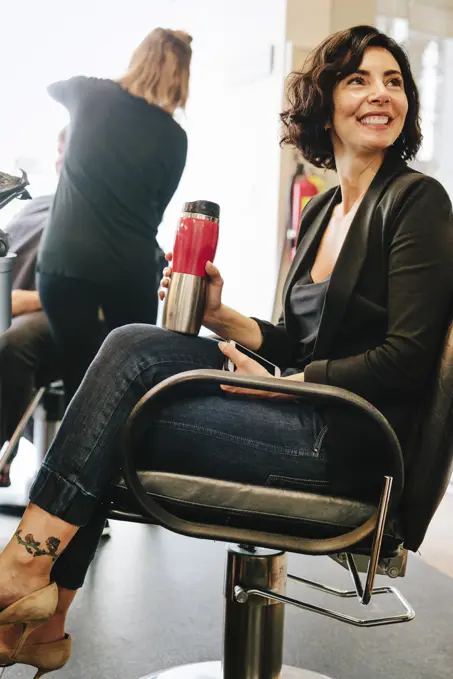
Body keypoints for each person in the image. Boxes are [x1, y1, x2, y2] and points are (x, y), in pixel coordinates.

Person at [0, 24, 452, 675]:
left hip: (351, 445)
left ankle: (25, 572)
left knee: (124, 385)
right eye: (358, 79)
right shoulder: (325, 212)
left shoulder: (413, 203)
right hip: (307, 415)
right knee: (133, 349)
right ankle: (48, 611)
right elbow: (298, 339)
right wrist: (221, 316)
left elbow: (405, 358)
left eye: (393, 81)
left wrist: (290, 379)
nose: (380, 94)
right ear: (324, 101)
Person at [37, 28, 192, 401]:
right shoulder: (174, 137)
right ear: (181, 77)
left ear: (138, 58)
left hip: (64, 263)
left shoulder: (88, 93)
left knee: (79, 380)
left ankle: (74, 457)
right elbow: (157, 206)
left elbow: (52, 88)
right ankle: (123, 456)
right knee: (129, 382)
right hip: (129, 269)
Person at [0, 130, 67, 487]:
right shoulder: (36, 204)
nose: (61, 161)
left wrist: (18, 302)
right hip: (9, 305)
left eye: (69, 152)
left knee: (12, 339)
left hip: (59, 319)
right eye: (58, 152)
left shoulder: (110, 220)